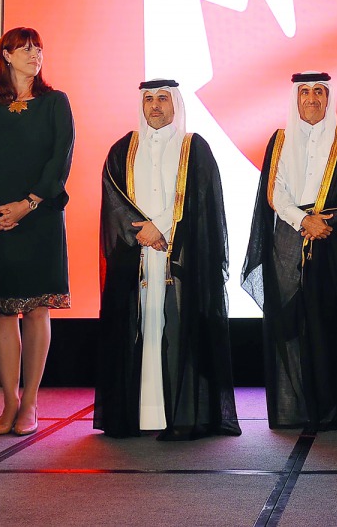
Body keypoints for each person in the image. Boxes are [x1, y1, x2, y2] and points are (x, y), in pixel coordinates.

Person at [94, 79, 241, 440]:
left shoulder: (194, 149)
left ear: (176, 104)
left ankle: (182, 416)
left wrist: (159, 226)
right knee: (140, 329)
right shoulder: (123, 149)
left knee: (178, 332)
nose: (155, 105)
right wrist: (140, 231)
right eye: (149, 99)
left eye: (163, 98)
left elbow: (202, 202)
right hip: (136, 257)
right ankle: (140, 416)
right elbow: (113, 197)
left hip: (182, 257)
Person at [0, 27, 74, 437]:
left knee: (37, 310)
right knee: (3, 311)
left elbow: (60, 160)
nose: (34, 54)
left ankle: (32, 402)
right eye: (24, 48)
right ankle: (9, 402)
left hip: (39, 216)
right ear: (5, 55)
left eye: (38, 48)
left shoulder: (55, 102)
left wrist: (28, 203)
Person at [242, 72, 337, 430]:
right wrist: (304, 221)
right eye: (304, 92)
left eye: (318, 92)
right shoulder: (280, 140)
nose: (311, 98)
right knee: (292, 323)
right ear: (295, 98)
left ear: (328, 98)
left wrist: (324, 220)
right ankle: (296, 409)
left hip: (335, 238)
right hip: (290, 239)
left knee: (336, 320)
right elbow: (275, 191)